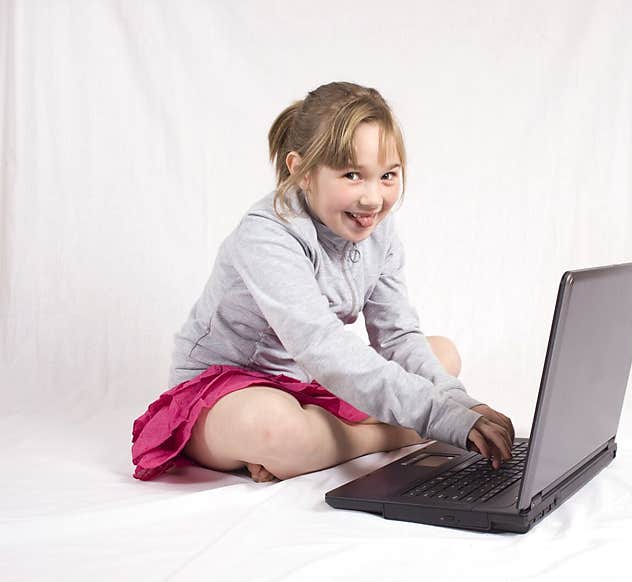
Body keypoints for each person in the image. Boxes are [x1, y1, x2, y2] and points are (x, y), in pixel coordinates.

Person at [131, 81, 515, 483]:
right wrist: (440, 418)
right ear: (301, 172)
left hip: (308, 378)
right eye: (352, 175)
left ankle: (319, 444)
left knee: (442, 355)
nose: (372, 199)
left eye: (387, 176)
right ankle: (378, 438)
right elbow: (322, 346)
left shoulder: (378, 233)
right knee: (271, 427)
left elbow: (398, 337)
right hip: (226, 390)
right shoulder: (267, 234)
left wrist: (461, 405)